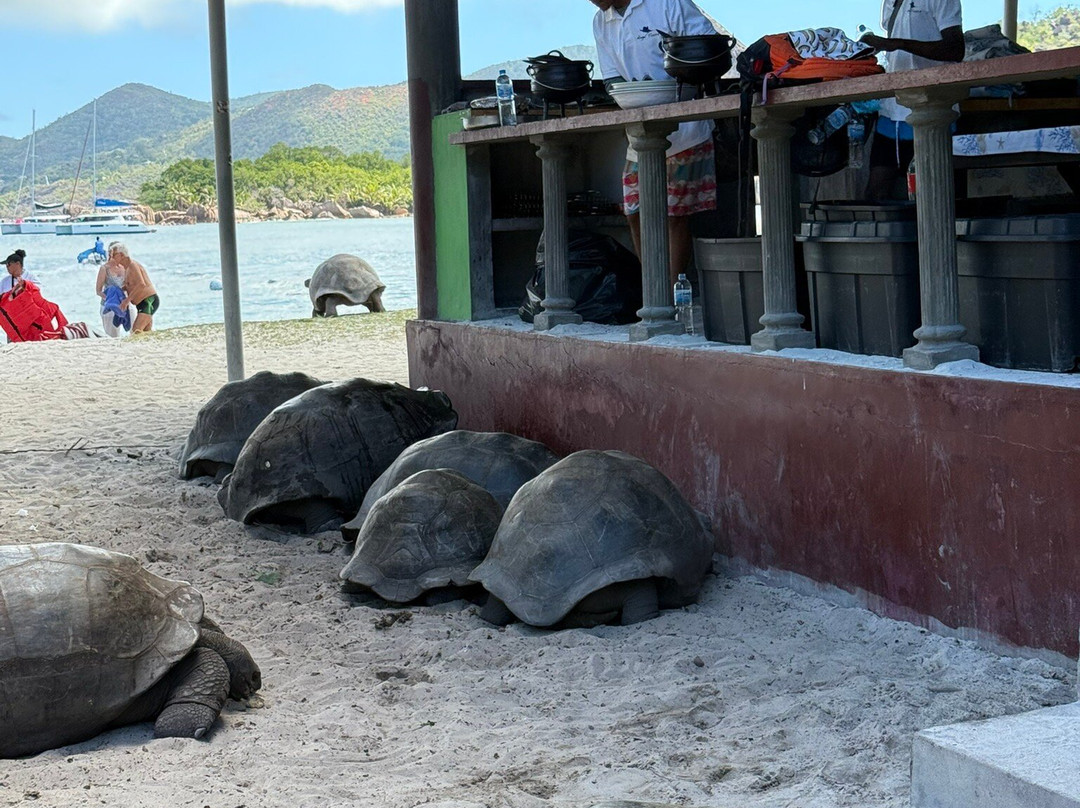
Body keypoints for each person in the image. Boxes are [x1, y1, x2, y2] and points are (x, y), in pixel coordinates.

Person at [589, 0, 718, 285]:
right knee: (635, 212)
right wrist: (632, 93)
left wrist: (678, 78)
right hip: (640, 131)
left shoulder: (667, 3)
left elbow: (708, 46)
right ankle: (653, 288)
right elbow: (612, 77)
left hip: (685, 127)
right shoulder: (601, 21)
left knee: (674, 215)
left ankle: (670, 295)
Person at [861, 0, 964, 199]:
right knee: (876, 191)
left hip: (932, 108)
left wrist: (899, 44)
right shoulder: (889, 3)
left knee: (933, 191)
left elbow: (955, 49)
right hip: (892, 113)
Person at [106, 242, 160, 333]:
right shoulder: (126, 268)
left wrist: (127, 301)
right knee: (146, 332)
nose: (112, 258)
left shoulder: (132, 265)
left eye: (114, 255)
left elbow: (141, 284)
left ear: (121, 255)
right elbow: (130, 285)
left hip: (148, 301)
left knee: (136, 331)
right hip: (141, 303)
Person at [95, 249, 135, 337]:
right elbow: (98, 291)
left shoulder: (125, 267)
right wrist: (112, 300)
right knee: (112, 336)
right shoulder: (104, 268)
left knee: (134, 331)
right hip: (109, 305)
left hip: (125, 304)